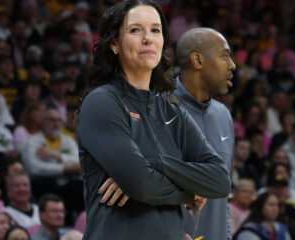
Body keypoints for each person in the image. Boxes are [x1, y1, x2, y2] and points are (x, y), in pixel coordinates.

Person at [77, 1, 230, 240]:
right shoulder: (102, 102)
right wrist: (191, 192)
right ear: (115, 44)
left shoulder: (172, 112)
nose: (148, 38)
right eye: (135, 30)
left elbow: (220, 181)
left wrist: (157, 163)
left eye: (155, 30)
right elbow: (142, 185)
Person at [171, 27, 236, 240]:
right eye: (225, 56)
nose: (232, 65)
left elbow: (222, 197)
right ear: (198, 61)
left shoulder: (224, 116)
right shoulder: (156, 110)